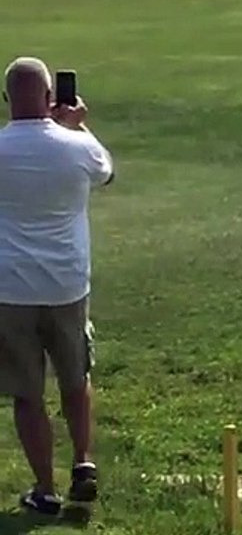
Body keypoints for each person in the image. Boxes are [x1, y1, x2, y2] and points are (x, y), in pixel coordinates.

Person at [0, 56, 114, 515]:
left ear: (6, 99)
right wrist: (76, 126)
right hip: (67, 284)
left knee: (27, 393)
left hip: (10, 288)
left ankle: (45, 489)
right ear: (50, 97)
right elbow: (107, 172)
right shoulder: (77, 146)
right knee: (75, 377)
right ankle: (82, 462)